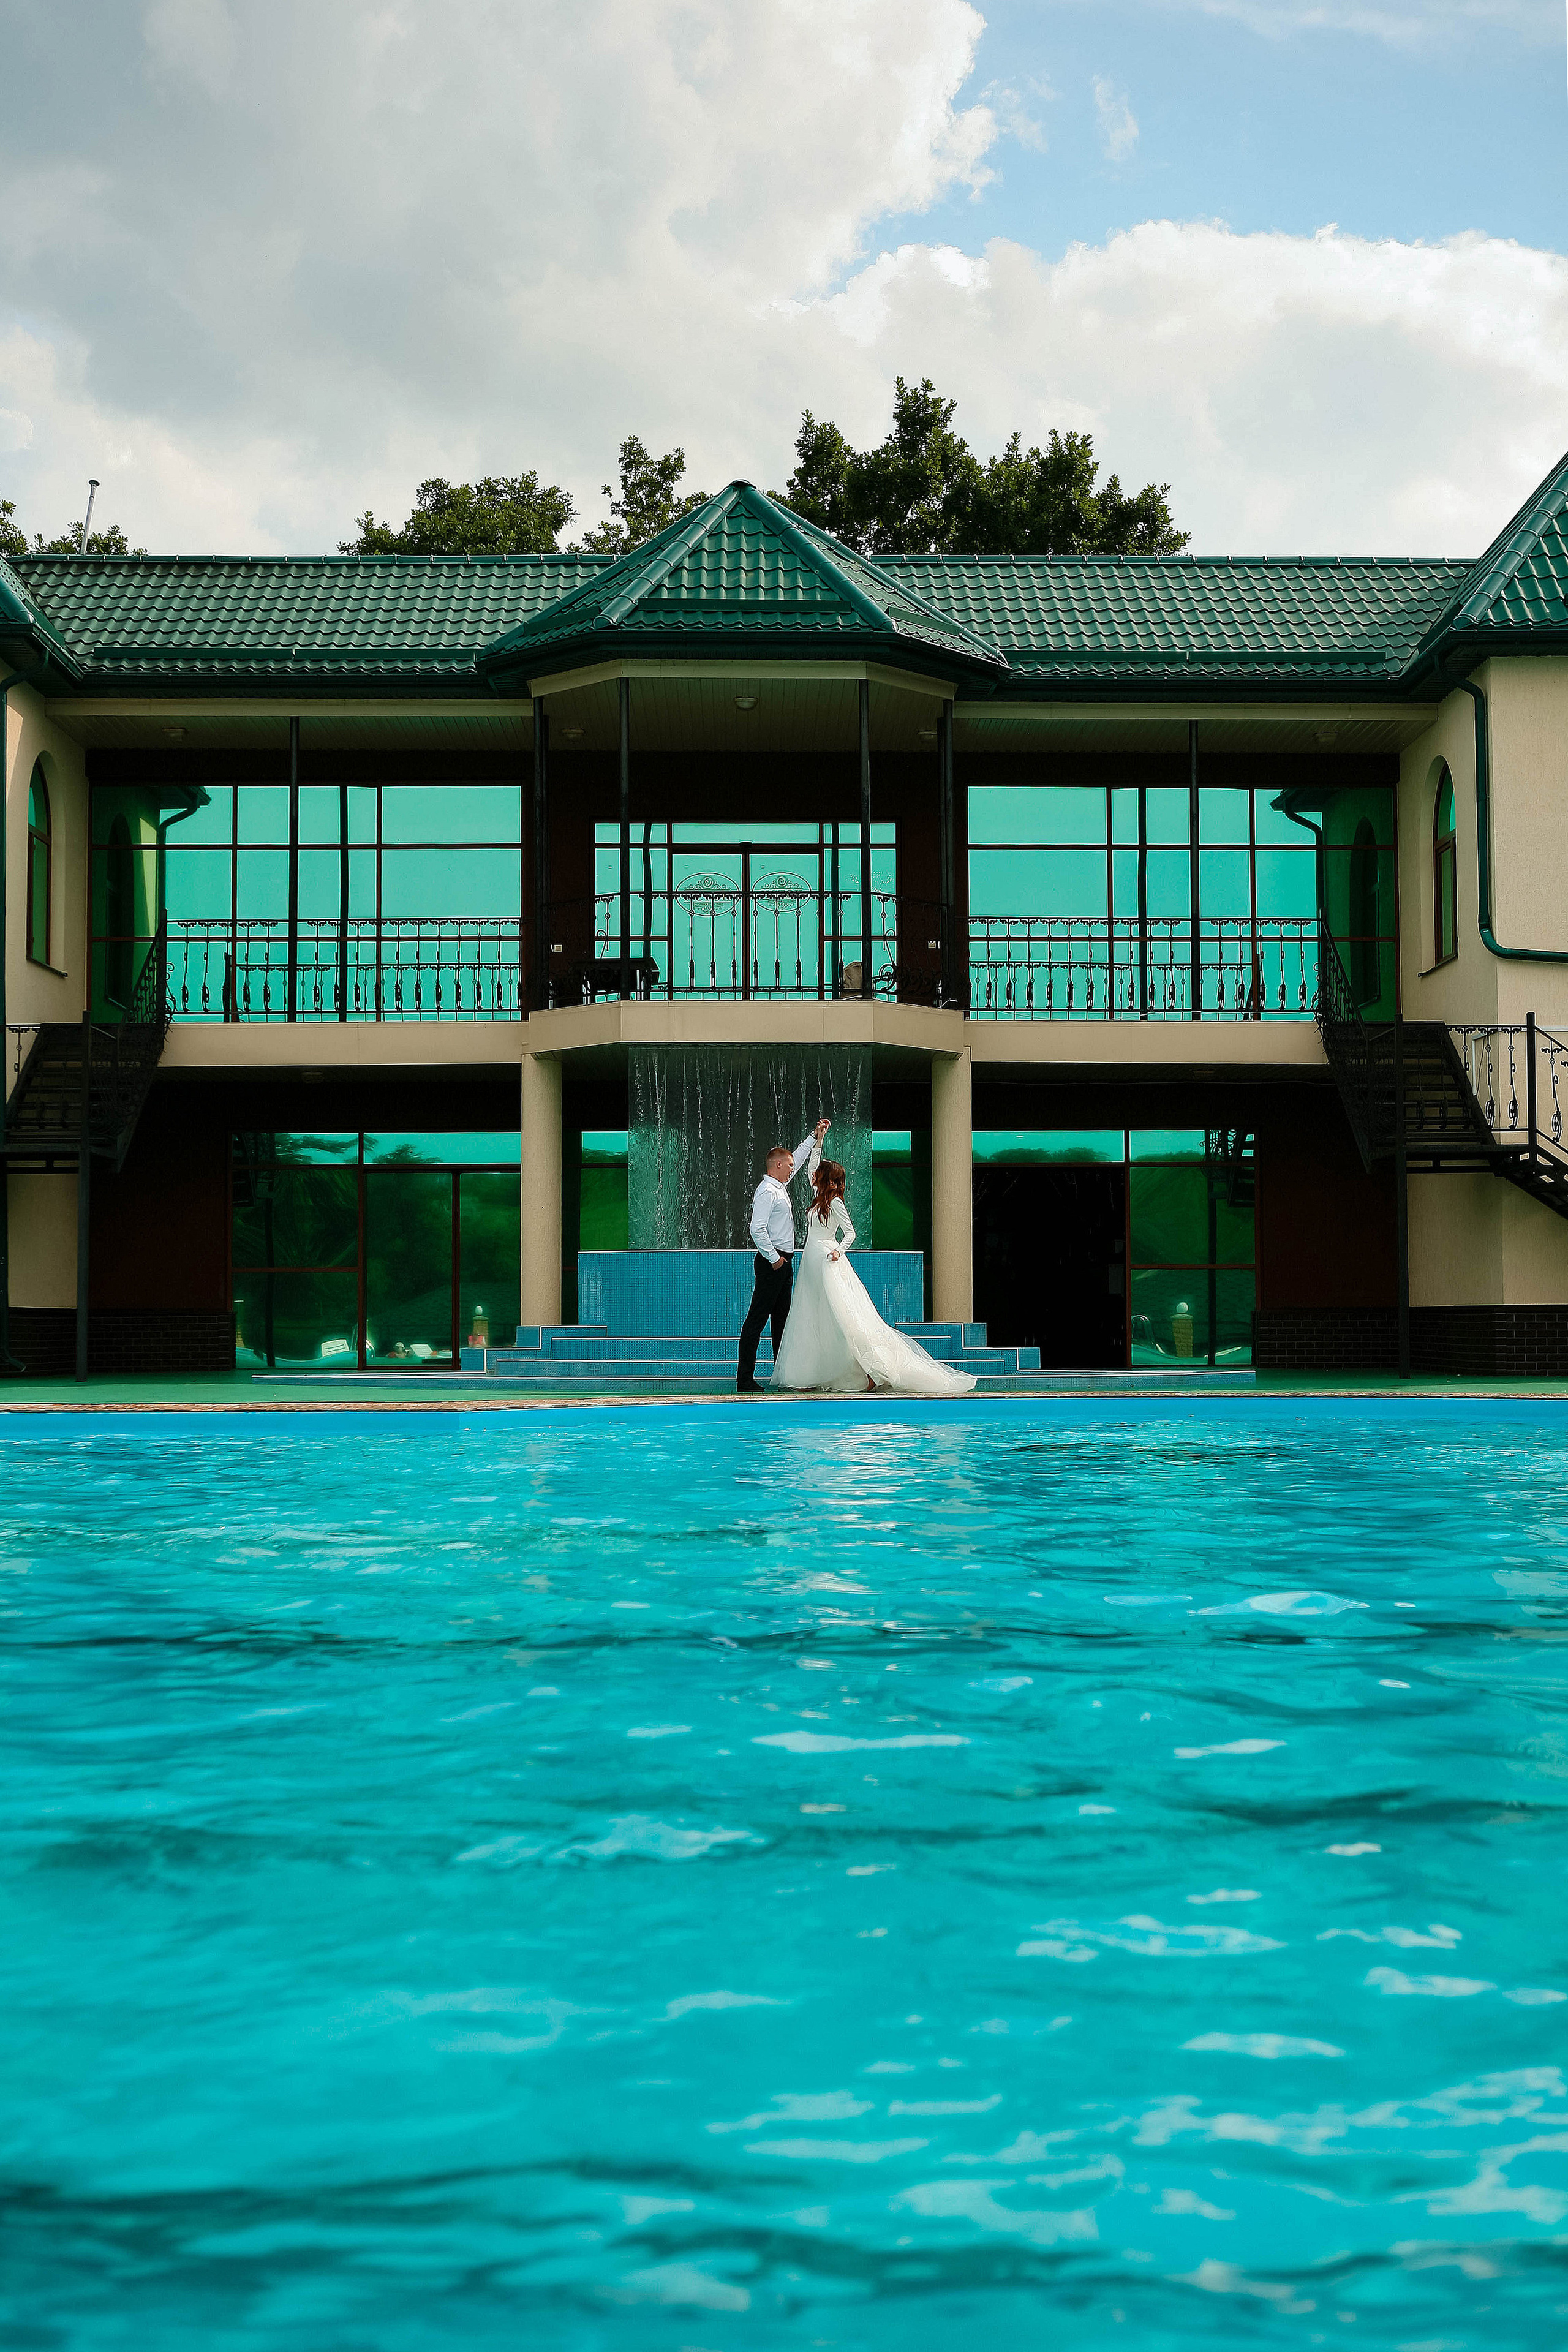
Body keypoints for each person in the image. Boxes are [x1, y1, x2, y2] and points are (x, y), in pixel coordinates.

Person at [771, 1144, 978, 1396]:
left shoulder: (835, 1203)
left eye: (818, 1174)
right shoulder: (819, 1197)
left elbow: (850, 1233)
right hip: (810, 1261)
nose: (812, 1176)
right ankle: (812, 1373)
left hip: (826, 1259)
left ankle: (872, 1370)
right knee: (813, 1314)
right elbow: (811, 1168)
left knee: (844, 1316)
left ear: (826, 1178)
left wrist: (838, 1251)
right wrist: (820, 1139)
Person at [736, 1117, 831, 1394]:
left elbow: (798, 1158)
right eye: (788, 1166)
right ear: (777, 1165)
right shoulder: (767, 1191)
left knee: (782, 1322)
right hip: (773, 1263)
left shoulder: (779, 1187)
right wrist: (774, 1258)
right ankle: (745, 1380)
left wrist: (815, 1137)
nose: (793, 1169)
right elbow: (757, 1228)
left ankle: (784, 1375)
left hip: (784, 1263)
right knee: (757, 1319)